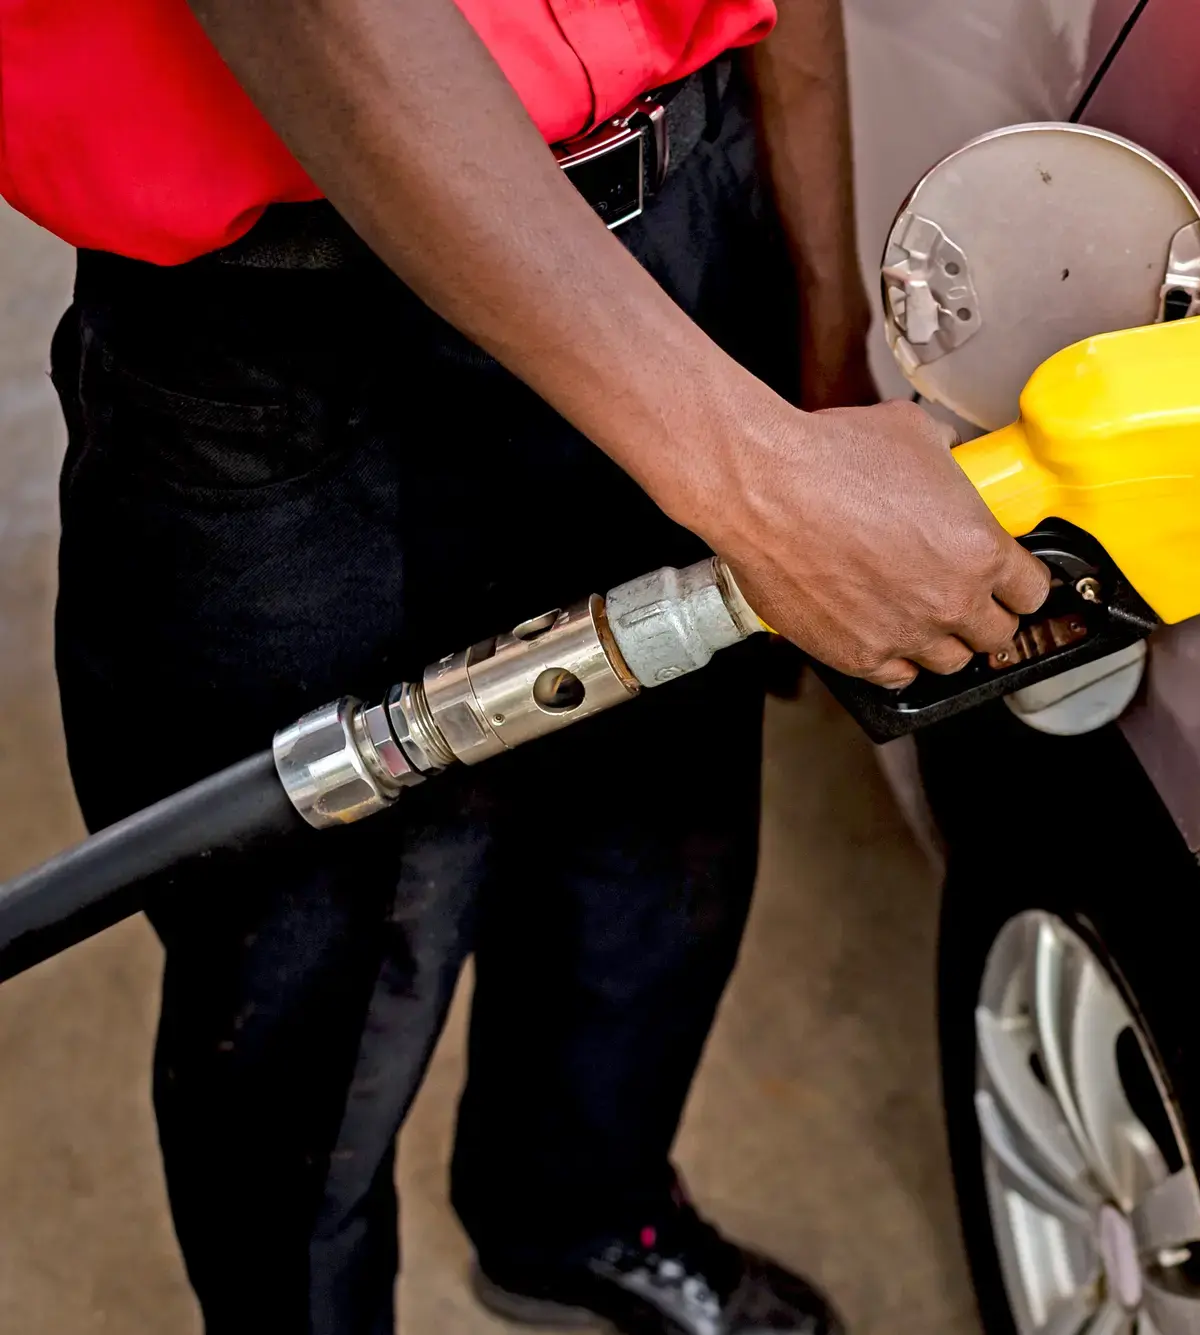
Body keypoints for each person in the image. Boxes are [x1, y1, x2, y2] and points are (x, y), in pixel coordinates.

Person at [4, 0, 1050, 1330]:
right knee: (309, 982)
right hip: (300, 330)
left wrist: (821, 358)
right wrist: (757, 476)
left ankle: (571, 1218)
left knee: (652, 845)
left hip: (683, 214)